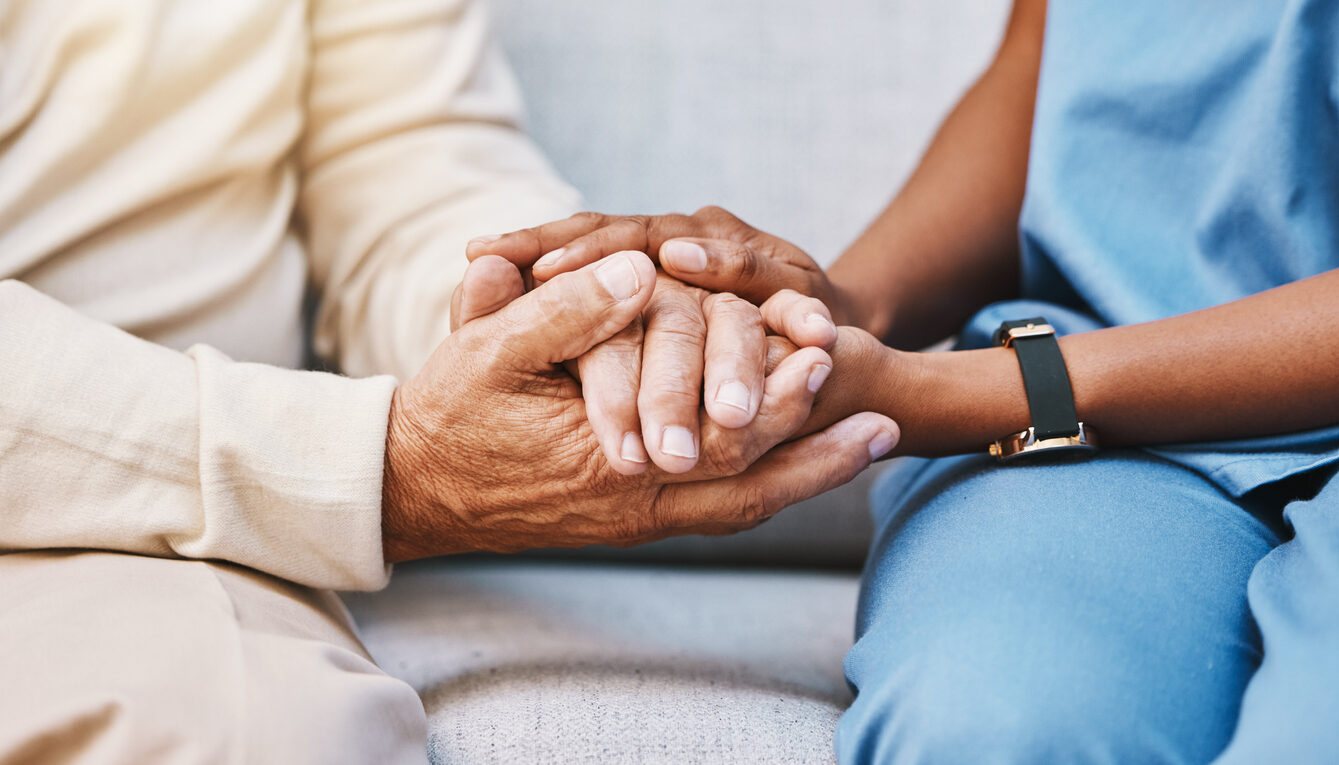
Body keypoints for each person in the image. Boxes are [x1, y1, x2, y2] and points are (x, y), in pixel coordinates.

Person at [0, 1, 898, 761]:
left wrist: (567, 318)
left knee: (254, 729)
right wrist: (372, 467)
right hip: (169, 466)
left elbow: (403, 165)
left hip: (154, 540)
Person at [472, 0, 1339, 761]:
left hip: (1052, 393)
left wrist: (959, 392)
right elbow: (1048, 61)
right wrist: (835, 306)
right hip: (1111, 443)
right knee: (992, 724)